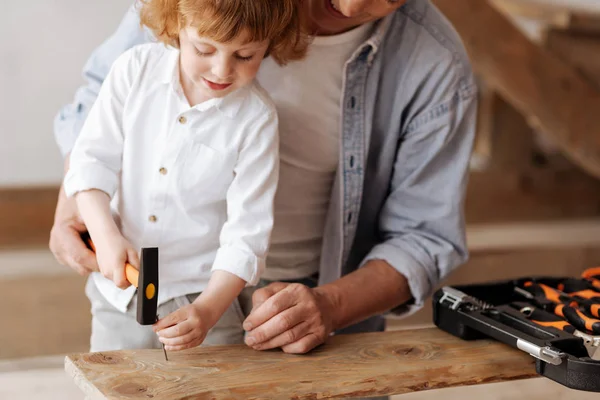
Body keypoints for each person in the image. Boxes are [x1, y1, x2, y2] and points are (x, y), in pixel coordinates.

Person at [51, 0, 477, 357]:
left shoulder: (434, 64)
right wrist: (84, 209)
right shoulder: (145, 60)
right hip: (134, 285)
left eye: (244, 55)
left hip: (285, 297)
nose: (348, 5)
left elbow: (424, 239)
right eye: (205, 48)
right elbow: (95, 119)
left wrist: (330, 306)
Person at [61, 0, 309, 352]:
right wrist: (106, 236)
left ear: (270, 45)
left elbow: (247, 236)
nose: (221, 70)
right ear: (176, 24)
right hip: (118, 293)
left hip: (204, 296)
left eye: (245, 56)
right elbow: (90, 163)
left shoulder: (257, 119)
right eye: (204, 49)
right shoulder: (134, 71)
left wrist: (207, 311)